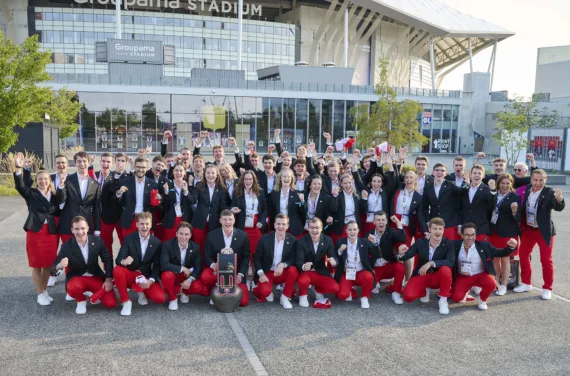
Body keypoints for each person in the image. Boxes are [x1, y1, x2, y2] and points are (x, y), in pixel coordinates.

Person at [14, 154, 67, 306]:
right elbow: (20, 186)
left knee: (48, 265)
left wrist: (62, 184)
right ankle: (39, 293)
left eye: (45, 179)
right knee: (37, 265)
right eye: (40, 179)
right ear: (36, 181)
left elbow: (62, 202)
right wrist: (19, 168)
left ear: (49, 181)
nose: (43, 181)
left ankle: (44, 291)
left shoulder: (55, 195)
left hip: (50, 233)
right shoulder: (31, 194)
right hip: (35, 232)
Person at [514, 169, 565, 300]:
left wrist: (559, 199)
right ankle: (526, 283)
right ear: (531, 180)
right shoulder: (526, 190)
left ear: (545, 180)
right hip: (529, 229)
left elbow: (557, 206)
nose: (538, 183)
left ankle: (547, 288)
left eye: (541, 180)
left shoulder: (549, 192)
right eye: (535, 180)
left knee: (546, 260)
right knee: (523, 255)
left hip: (543, 231)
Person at [51, 216, 116, 314]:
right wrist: (59, 265)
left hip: (95, 277)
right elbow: (52, 269)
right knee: (74, 287)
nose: (80, 232)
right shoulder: (66, 246)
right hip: (77, 279)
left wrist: (108, 279)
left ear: (88, 228)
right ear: (72, 230)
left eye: (82, 228)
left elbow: (108, 259)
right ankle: (81, 300)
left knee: (111, 303)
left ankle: (90, 291)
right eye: (76, 229)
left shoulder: (97, 241)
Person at [450, 223, 518, 310]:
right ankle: (466, 290)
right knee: (456, 298)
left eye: (472, 235)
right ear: (462, 235)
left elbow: (500, 252)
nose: (470, 238)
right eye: (467, 235)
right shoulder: (455, 245)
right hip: (463, 277)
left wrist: (511, 248)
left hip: (480, 275)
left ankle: (482, 299)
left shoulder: (484, 245)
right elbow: (442, 246)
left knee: (492, 283)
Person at [398, 218, 455, 315]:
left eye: (440, 229)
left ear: (443, 230)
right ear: (429, 229)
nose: (437, 232)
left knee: (446, 269)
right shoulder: (421, 242)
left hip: (438, 276)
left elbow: (450, 261)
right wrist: (401, 253)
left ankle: (443, 300)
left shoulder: (448, 243)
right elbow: (408, 255)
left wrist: (431, 263)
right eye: (435, 229)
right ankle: (424, 291)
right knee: (408, 297)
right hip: (422, 274)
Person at [114, 212, 166, 316]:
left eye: (147, 224)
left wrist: (150, 281)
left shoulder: (157, 243)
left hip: (145, 276)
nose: (144, 227)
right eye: (142, 224)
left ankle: (141, 290)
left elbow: (157, 266)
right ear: (137, 225)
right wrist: (123, 261)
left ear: (151, 225)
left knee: (160, 298)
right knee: (117, 270)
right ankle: (126, 301)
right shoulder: (129, 238)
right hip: (131, 274)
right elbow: (118, 259)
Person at [200, 210, 250, 307]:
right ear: (220, 220)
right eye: (225, 219)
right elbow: (207, 255)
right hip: (217, 271)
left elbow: (246, 257)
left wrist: (240, 274)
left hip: (235, 273)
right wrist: (213, 265)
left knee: (243, 302)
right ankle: (213, 292)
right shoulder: (211, 235)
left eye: (230, 219)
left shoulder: (243, 236)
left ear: (234, 220)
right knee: (205, 276)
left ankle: (229, 289)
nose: (227, 222)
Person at [253, 214, 299, 309]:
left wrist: (283, 264)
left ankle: (285, 296)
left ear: (287, 226)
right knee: (265, 293)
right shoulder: (264, 238)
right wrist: (261, 274)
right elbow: (257, 258)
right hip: (268, 272)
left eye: (283, 224)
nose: (280, 227)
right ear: (274, 225)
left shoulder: (293, 240)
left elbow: (294, 259)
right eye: (278, 224)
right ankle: (264, 289)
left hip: (282, 272)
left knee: (293, 270)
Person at [114, 157, 162, 242]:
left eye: (143, 167)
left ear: (147, 168)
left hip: (145, 222)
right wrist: (118, 193)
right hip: (129, 220)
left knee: (144, 250)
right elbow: (118, 202)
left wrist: (158, 201)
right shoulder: (125, 182)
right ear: (135, 167)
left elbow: (155, 206)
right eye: (138, 167)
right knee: (128, 249)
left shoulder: (153, 184)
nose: (140, 169)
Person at [488, 174, 521, 295]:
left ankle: (504, 284)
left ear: (511, 184)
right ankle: (495, 282)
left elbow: (518, 218)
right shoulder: (494, 195)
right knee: (496, 258)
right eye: (502, 183)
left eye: (507, 183)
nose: (505, 185)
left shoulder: (515, 197)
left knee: (506, 259)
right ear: (498, 183)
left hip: (508, 232)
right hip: (494, 231)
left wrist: (514, 211)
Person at [58, 152, 101, 244]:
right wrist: (61, 186)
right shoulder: (67, 180)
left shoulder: (96, 184)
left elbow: (97, 209)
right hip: (68, 225)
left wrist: (97, 229)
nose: (82, 164)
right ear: (75, 163)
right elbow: (61, 201)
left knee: (84, 255)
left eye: (84, 161)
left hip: (85, 227)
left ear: (89, 163)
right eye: (79, 161)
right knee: (68, 255)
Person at [296, 218, 340, 308]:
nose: (314, 230)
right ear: (308, 228)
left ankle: (318, 290)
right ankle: (302, 296)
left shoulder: (328, 240)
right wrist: (304, 266)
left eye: (317, 227)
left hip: (320, 271)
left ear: (321, 228)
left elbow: (333, 256)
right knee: (303, 281)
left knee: (334, 288)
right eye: (311, 228)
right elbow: (299, 260)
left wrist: (334, 262)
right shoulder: (301, 241)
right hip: (307, 272)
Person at [160, 222, 204, 311]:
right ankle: (172, 298)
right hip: (174, 274)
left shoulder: (195, 247)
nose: (183, 237)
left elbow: (198, 266)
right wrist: (182, 269)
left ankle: (184, 292)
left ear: (190, 235)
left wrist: (189, 280)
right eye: (181, 233)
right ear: (176, 233)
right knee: (166, 275)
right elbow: (164, 264)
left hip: (187, 276)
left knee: (198, 286)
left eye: (186, 234)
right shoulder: (167, 245)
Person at [366, 211, 407, 304]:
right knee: (369, 288)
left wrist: (398, 223)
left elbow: (403, 238)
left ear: (386, 221)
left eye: (383, 220)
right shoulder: (368, 235)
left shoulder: (391, 231)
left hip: (388, 266)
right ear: (374, 222)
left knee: (400, 267)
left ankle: (396, 293)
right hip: (375, 269)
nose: (381, 222)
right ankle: (375, 283)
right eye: (378, 220)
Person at [190, 164, 229, 258]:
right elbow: (193, 200)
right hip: (200, 222)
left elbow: (223, 206)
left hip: (214, 223)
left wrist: (230, 210)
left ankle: (211, 267)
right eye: (208, 173)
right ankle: (199, 268)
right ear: (204, 174)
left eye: (212, 173)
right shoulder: (199, 185)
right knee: (199, 247)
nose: (210, 175)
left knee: (212, 247)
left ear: (217, 175)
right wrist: (187, 191)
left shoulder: (222, 188)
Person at [334, 221, 376, 309]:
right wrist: (340, 251)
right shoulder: (340, 242)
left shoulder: (364, 242)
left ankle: (364, 297)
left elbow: (377, 254)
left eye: (354, 229)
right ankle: (350, 289)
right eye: (350, 229)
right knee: (342, 295)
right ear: (346, 231)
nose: (352, 232)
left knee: (368, 276)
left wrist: (375, 244)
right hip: (347, 273)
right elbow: (334, 258)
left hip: (360, 272)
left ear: (358, 231)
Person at [231, 171, 267, 268]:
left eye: (250, 179)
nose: (248, 181)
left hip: (256, 224)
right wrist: (233, 210)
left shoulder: (260, 191)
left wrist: (261, 221)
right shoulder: (237, 192)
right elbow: (232, 206)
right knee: (244, 250)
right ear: (242, 180)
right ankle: (245, 271)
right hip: (242, 224)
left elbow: (264, 209)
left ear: (254, 180)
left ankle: (255, 272)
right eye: (246, 179)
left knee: (256, 249)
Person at [423, 163, 463, 241]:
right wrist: (428, 222)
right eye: (437, 170)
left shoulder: (451, 184)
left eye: (442, 170)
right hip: (434, 225)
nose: (439, 172)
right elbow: (425, 207)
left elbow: (462, 193)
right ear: (433, 172)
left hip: (450, 224)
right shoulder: (427, 187)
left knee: (450, 249)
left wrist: (467, 184)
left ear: (446, 173)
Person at [160, 164, 195, 241]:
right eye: (176, 170)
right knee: (170, 243)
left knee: (183, 242)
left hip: (185, 219)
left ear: (184, 173)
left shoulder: (189, 185)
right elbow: (164, 207)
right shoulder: (167, 185)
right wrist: (166, 193)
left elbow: (192, 201)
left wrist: (186, 190)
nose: (178, 173)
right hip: (171, 219)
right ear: (173, 172)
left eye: (181, 170)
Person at [459, 165, 494, 241]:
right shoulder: (465, 188)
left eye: (479, 173)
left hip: (480, 229)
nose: (477, 175)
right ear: (471, 175)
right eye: (474, 173)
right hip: (465, 228)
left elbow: (492, 207)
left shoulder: (488, 190)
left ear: (483, 176)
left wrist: (493, 191)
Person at [268, 169, 306, 238]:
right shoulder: (274, 194)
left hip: (294, 229)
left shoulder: (296, 194)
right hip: (279, 228)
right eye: (284, 176)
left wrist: (302, 202)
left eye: (288, 177)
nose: (286, 179)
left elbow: (302, 211)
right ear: (280, 178)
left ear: (291, 179)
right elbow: (271, 212)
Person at [328, 174, 363, 245]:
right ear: (341, 184)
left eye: (349, 183)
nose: (347, 185)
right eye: (345, 183)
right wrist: (334, 196)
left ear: (352, 183)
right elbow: (333, 209)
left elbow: (362, 210)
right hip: (342, 225)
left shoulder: (357, 194)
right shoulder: (338, 195)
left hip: (355, 224)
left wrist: (364, 199)